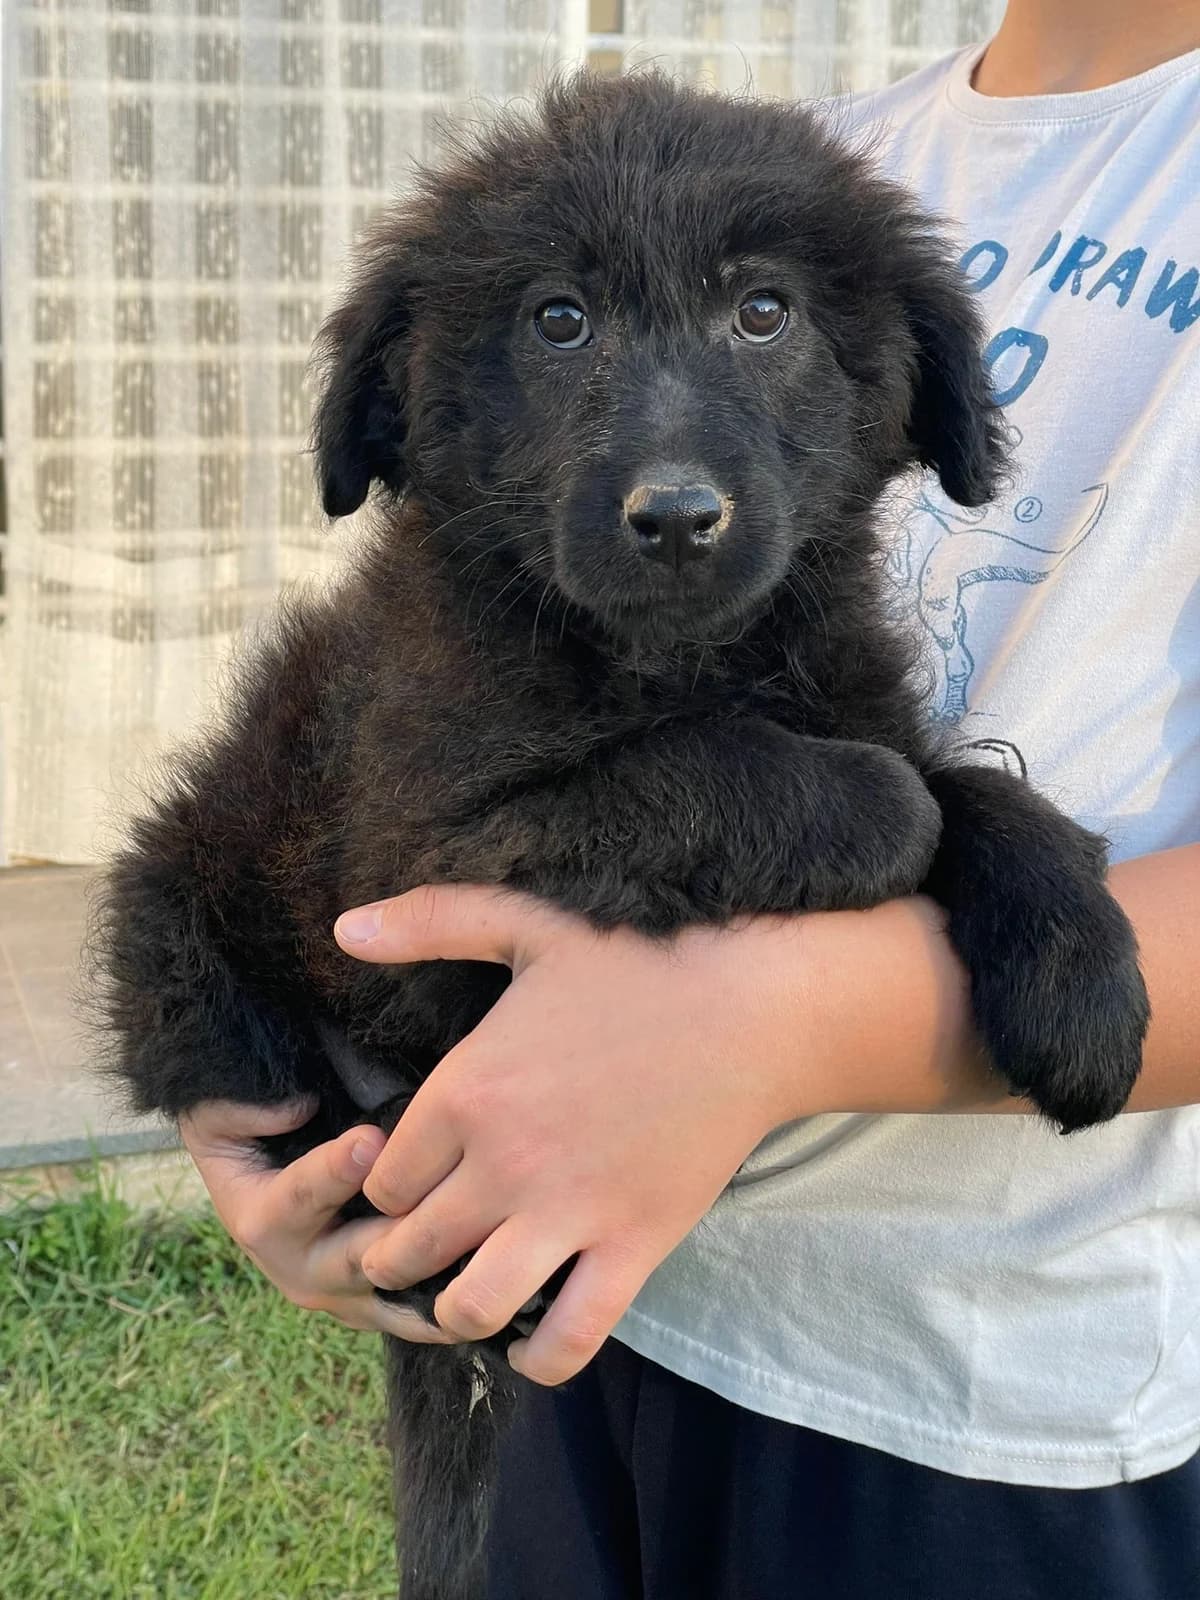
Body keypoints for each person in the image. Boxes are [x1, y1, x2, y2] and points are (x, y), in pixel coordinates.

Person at [178, 2, 1200, 1593]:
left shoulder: (882, 219)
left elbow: (875, 808)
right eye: (564, 324)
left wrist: (909, 912)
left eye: (761, 314)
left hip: (978, 1395)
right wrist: (245, 1094)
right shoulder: (854, 139)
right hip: (588, 1294)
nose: (670, 469)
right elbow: (382, 851)